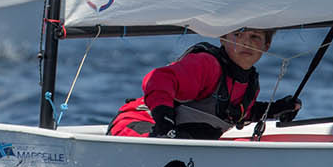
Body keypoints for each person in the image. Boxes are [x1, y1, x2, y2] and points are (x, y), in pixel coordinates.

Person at [108, 27, 302, 139]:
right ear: (223, 38)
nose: (246, 42)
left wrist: (276, 109)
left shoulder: (249, 83)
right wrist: (164, 120)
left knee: (199, 136)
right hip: (137, 126)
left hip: (181, 141)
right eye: (238, 34)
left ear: (266, 46)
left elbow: (235, 113)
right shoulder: (206, 64)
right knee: (194, 137)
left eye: (255, 37)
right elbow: (158, 80)